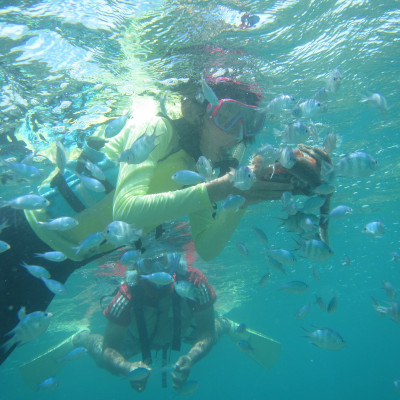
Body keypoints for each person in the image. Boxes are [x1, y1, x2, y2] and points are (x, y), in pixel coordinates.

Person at [0, 73, 323, 364]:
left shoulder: (203, 169)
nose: (238, 135)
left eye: (250, 123)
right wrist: (220, 188)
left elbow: (208, 247)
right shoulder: (155, 128)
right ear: (199, 112)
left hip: (59, 266)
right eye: (228, 117)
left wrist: (239, 201)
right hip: (15, 233)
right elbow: (125, 209)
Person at [72, 252, 228, 392]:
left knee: (214, 332)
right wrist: (128, 368)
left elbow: (207, 331)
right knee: (102, 359)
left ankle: (227, 324)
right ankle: (83, 337)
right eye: (148, 263)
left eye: (162, 260)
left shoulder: (193, 281)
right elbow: (109, 349)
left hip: (182, 330)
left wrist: (191, 358)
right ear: (138, 267)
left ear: (173, 258)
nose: (157, 268)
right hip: (136, 338)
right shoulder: (126, 295)